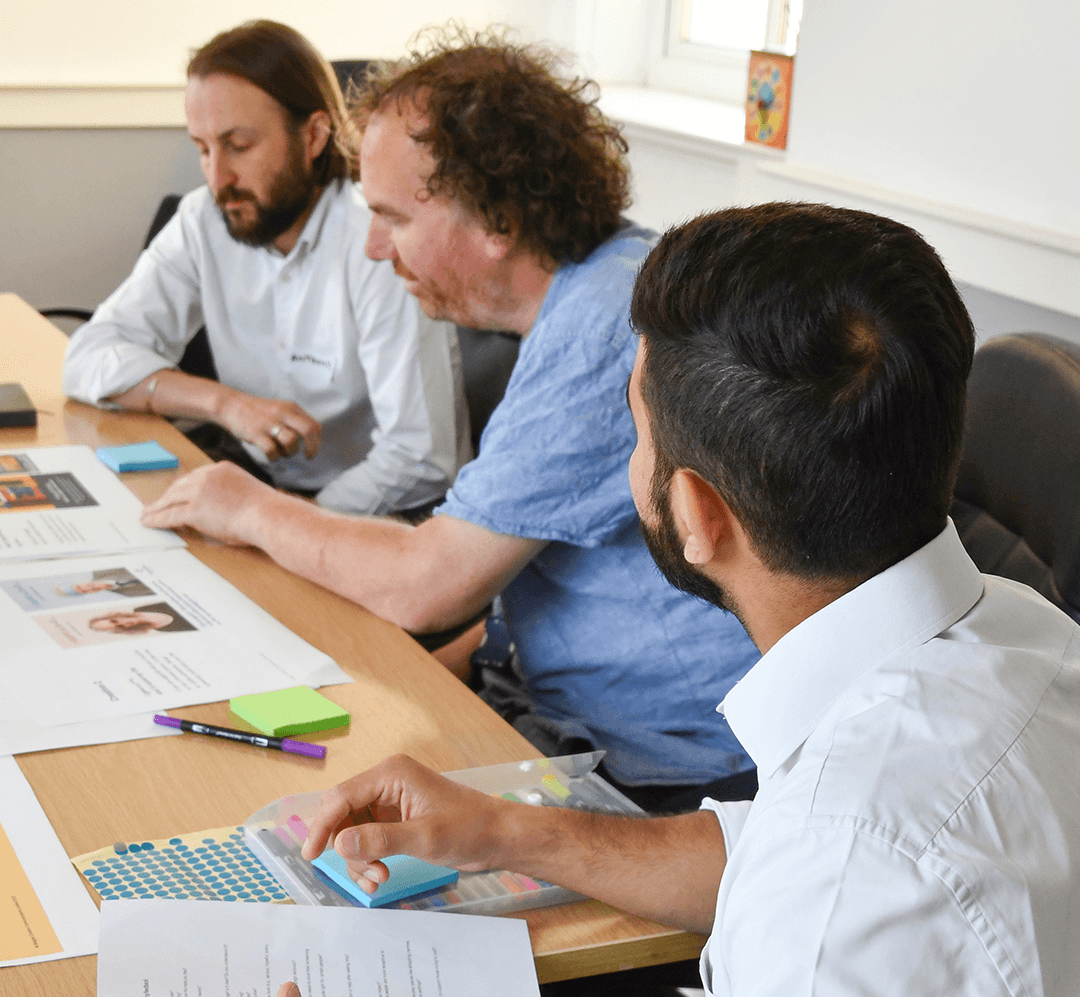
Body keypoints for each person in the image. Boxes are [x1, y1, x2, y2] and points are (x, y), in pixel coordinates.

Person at [202, 204, 1080, 997]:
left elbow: (830, 858)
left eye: (636, 432)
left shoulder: (848, 877)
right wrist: (505, 831)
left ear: (698, 513)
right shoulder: (1025, 632)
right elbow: (766, 846)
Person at [141, 30, 761, 811]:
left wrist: (247, 504)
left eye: (393, 217)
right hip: (559, 708)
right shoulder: (599, 287)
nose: (372, 247)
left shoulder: (605, 324)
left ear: (497, 219)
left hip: (659, 774)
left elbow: (427, 585)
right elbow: (552, 570)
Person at [63, 20, 469, 517]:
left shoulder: (379, 239)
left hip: (369, 510)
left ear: (314, 135)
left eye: (239, 146)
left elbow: (422, 458)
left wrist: (281, 522)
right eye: (203, 149)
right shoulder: (203, 219)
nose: (219, 178)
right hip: (256, 486)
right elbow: (88, 358)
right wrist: (224, 404)